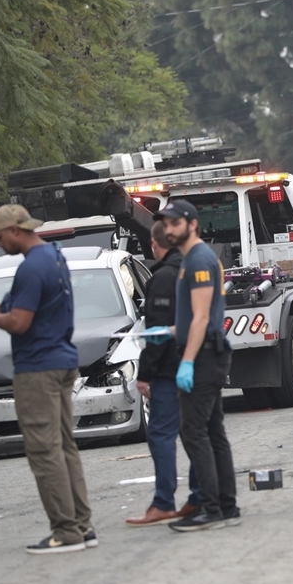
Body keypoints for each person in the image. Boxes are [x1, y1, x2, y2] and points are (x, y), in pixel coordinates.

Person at [0, 204, 95, 554]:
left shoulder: (30, 268)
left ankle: (66, 532)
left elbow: (20, 324)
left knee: (43, 450)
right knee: (65, 447)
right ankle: (82, 525)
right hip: (62, 361)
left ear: (14, 230)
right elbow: (30, 311)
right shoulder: (53, 257)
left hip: (38, 367)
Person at [151, 200, 240, 532]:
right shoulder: (192, 258)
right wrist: (168, 331)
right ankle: (226, 506)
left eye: (174, 224)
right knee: (213, 432)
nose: (168, 230)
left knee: (193, 432)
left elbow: (202, 317)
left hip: (203, 355)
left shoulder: (199, 259)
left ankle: (211, 508)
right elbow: (194, 319)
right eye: (166, 224)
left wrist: (186, 361)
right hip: (204, 350)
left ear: (191, 223)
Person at [127, 221, 201, 527]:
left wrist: (144, 374)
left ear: (157, 245)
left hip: (169, 370)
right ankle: (199, 495)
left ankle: (163, 501)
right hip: (196, 362)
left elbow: (156, 334)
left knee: (160, 434)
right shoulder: (193, 270)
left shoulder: (163, 278)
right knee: (197, 435)